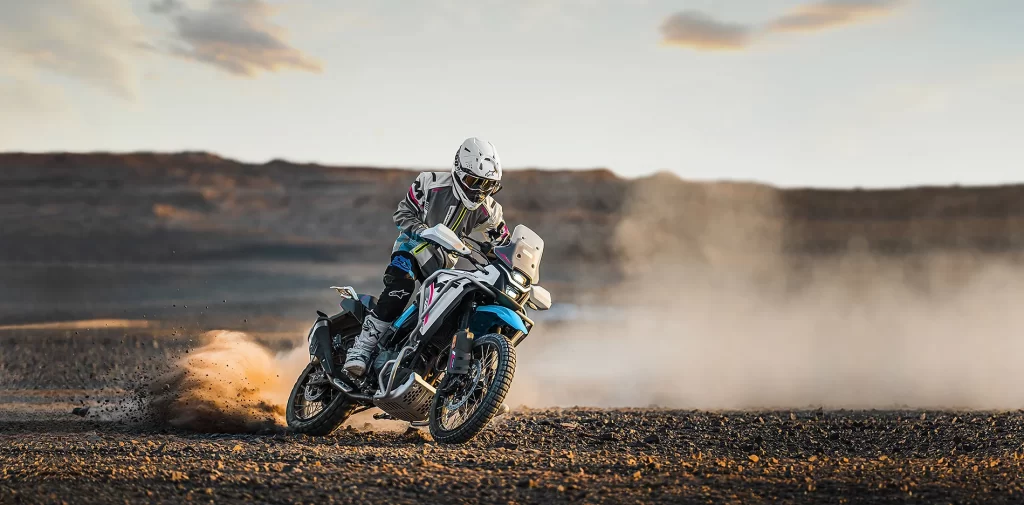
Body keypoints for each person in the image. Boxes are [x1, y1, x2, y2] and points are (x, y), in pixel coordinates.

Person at [343, 137, 512, 376]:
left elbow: (503, 243)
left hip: (443, 264)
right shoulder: (430, 183)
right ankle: (361, 349)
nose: (479, 191)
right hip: (412, 248)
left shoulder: (491, 211)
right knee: (401, 287)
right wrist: (423, 231)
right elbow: (402, 213)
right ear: (459, 170)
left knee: (455, 308)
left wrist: (508, 259)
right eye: (474, 182)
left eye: (488, 185)